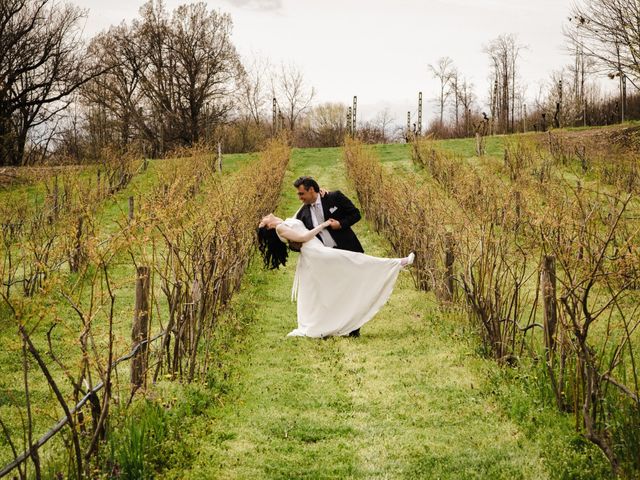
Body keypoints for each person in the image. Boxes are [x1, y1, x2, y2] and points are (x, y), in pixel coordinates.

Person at [257, 213, 414, 338]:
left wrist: (320, 193)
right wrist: (323, 225)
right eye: (263, 220)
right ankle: (397, 263)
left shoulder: (283, 223)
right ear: (267, 225)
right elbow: (303, 238)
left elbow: (303, 211)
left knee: (349, 266)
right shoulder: (279, 229)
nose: (266, 216)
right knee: (355, 261)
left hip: (316, 251)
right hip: (316, 253)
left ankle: (396, 263)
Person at [293, 176, 364, 336]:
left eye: (301, 193)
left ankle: (353, 329)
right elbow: (299, 239)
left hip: (348, 251)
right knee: (333, 293)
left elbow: (356, 214)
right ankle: (333, 327)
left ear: (312, 190)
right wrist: (295, 245)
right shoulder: (302, 214)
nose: (299, 197)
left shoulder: (334, 197)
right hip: (325, 260)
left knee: (351, 291)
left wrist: (340, 224)